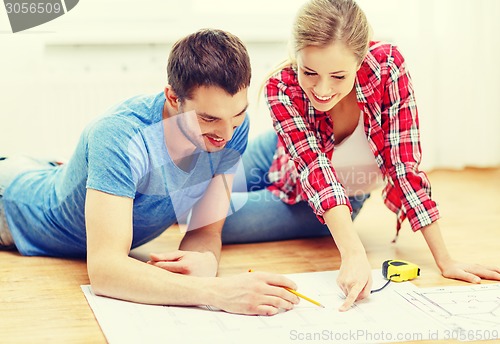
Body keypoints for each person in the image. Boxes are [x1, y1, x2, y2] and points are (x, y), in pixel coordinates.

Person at [222, 0, 500, 311]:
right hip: (277, 153)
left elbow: (402, 166)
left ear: (360, 57)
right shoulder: (282, 86)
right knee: (195, 196)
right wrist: (353, 253)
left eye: (338, 76)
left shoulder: (388, 68)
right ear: (295, 55)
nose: (323, 89)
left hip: (323, 199)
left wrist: (445, 260)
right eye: (309, 72)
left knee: (201, 216)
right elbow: (313, 164)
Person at [0, 29, 300, 316]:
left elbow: (206, 230)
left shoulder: (231, 129)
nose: (224, 134)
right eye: (208, 118)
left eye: (237, 115)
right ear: (172, 97)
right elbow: (105, 271)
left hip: (46, 175)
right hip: (11, 205)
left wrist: (205, 262)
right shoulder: (119, 135)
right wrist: (216, 291)